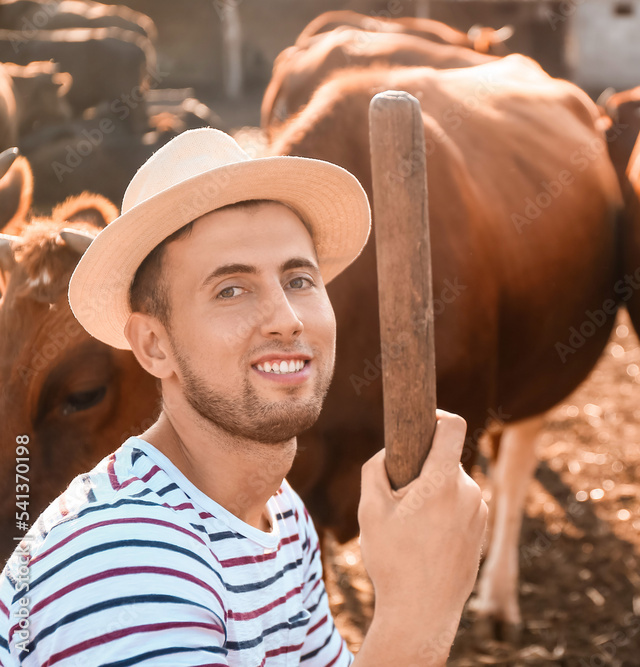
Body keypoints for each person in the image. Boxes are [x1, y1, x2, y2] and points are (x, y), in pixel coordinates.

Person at [0, 128, 488, 666]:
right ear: (153, 345)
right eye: (231, 289)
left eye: (300, 279)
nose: (287, 318)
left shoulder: (280, 517)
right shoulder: (116, 564)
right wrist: (417, 610)